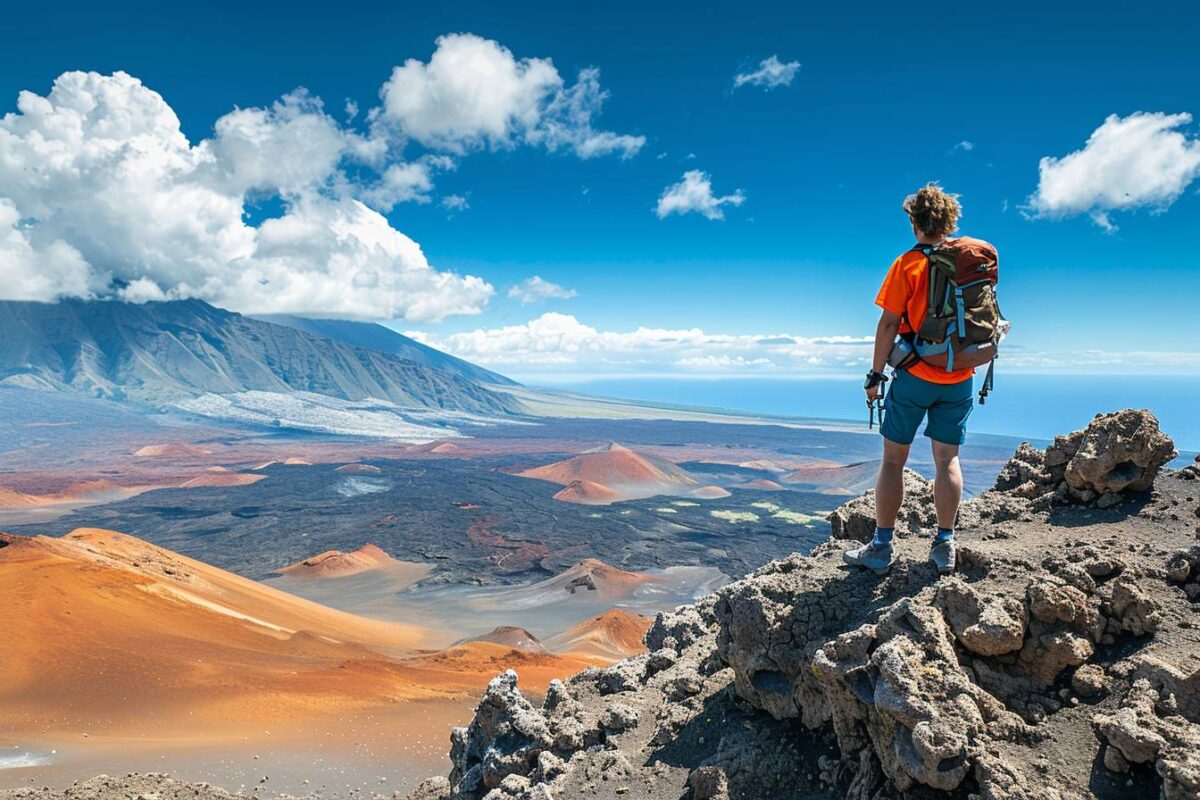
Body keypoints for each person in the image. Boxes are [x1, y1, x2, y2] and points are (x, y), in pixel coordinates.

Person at [844, 184, 981, 576]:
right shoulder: (969, 264)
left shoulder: (908, 264)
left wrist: (875, 375)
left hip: (915, 374)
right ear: (949, 220)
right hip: (960, 375)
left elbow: (888, 323)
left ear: (914, 222)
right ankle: (945, 543)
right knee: (948, 460)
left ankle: (882, 546)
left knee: (893, 461)